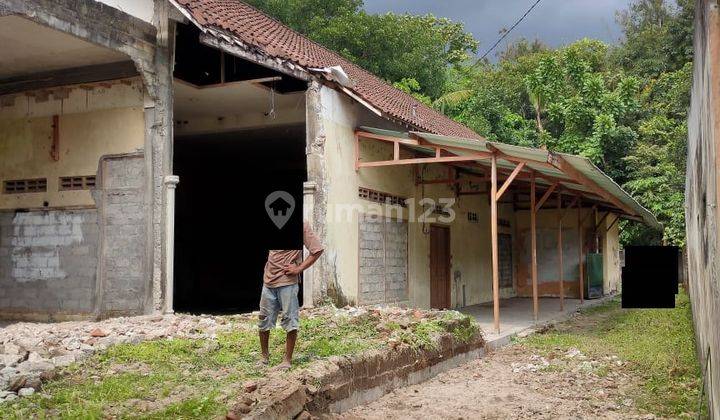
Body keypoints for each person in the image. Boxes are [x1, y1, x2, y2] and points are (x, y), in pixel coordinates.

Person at [258, 222, 323, 369]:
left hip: (287, 282)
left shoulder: (302, 225)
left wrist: (299, 268)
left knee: (290, 319)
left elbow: (317, 250)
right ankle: (264, 357)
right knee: (263, 319)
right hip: (268, 281)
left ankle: (287, 360)